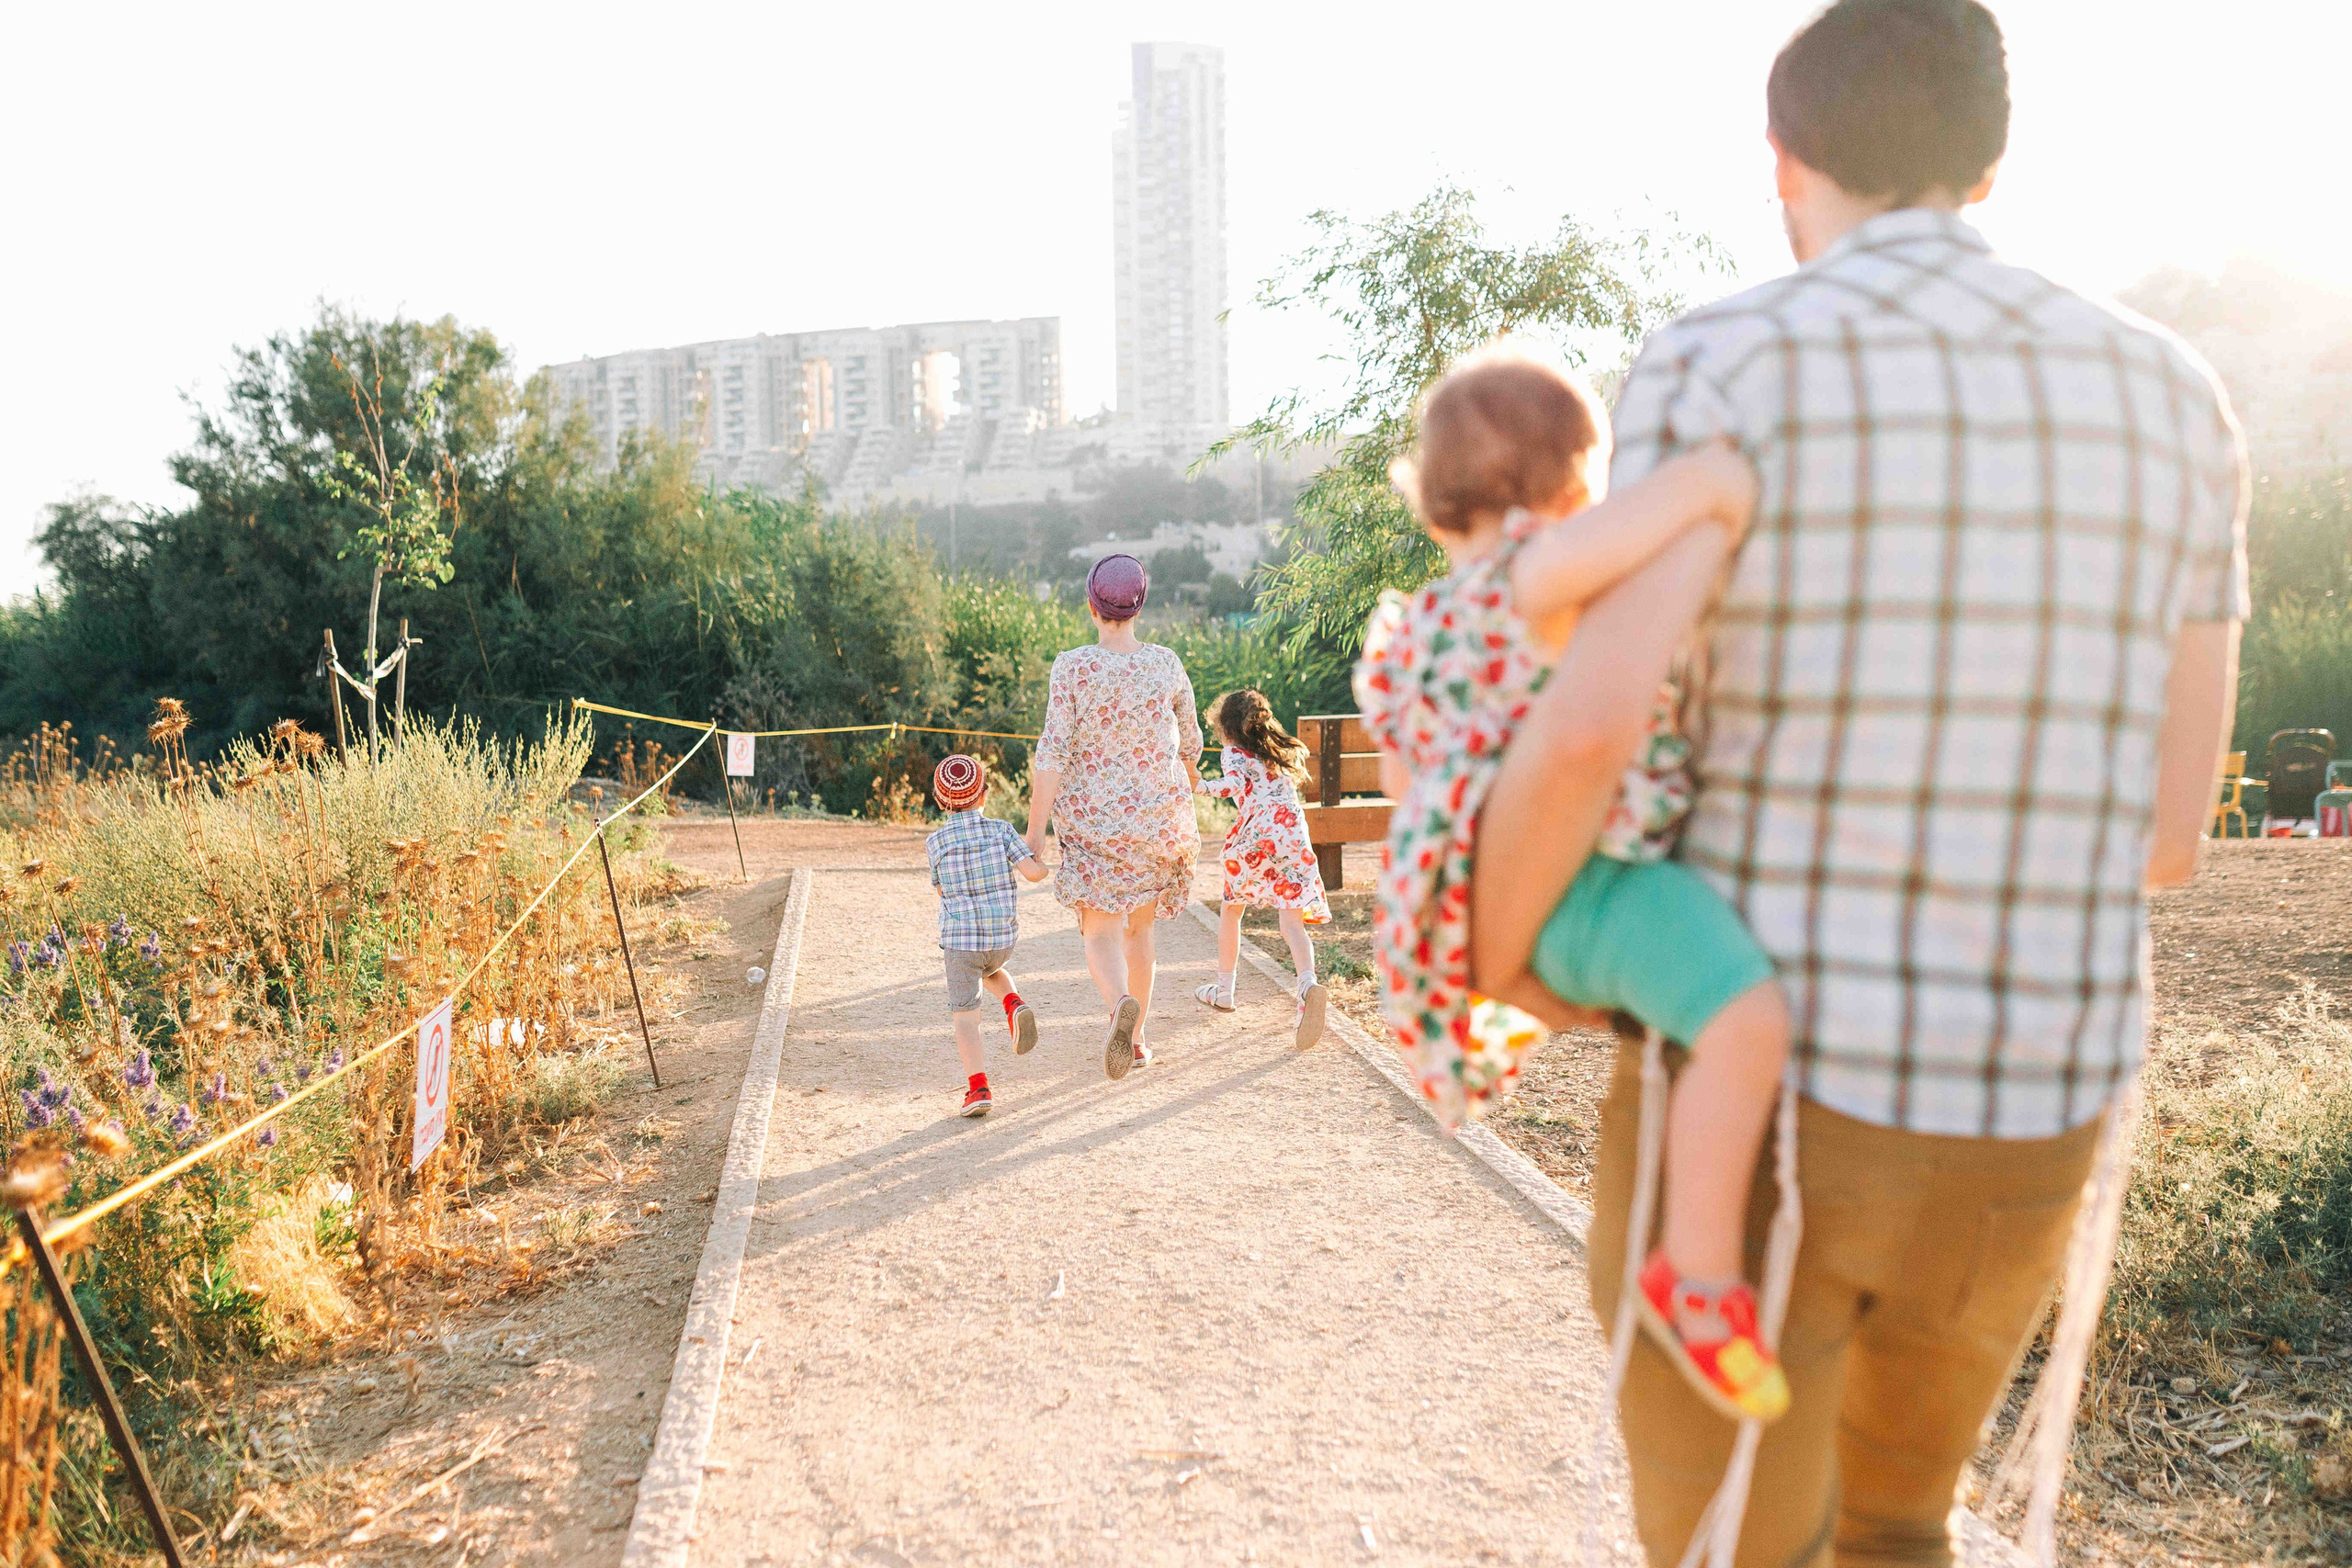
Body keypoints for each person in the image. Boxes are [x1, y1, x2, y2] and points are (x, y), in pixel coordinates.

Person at [1468, 4, 2248, 1562]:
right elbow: (2172, 836)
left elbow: (1588, 729)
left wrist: (1483, 968)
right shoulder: (2177, 397)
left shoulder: (1724, 358)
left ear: (1785, 162)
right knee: (1897, 1524)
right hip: (2031, 1112)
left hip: (1763, 1108)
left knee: (1727, 1534)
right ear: (1991, 156)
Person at [1353, 350, 1785, 1420]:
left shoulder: (1410, 636)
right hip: (1584, 875)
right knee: (1744, 1017)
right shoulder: (1533, 571)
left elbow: (1413, 802)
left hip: (1468, 897)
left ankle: (1516, 1016)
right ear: (1567, 491)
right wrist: (1724, 480)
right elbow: (1687, 500)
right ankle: (1697, 1270)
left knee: (1656, 1007)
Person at [1025, 555, 1205, 1079]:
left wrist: (1034, 834)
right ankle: (1141, 1038)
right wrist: (1189, 785)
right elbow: (1190, 743)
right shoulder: (1166, 663)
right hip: (1156, 819)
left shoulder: (1073, 666)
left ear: (1091, 606)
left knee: (1098, 931)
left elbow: (1052, 753)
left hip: (1092, 824)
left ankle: (1118, 1004)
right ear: (1139, 606)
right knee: (1140, 932)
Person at [1193, 688, 1332, 1048]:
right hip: (1293, 836)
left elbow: (1233, 785)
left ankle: (1224, 990)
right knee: (1292, 924)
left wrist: (1199, 785)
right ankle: (1307, 986)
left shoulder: (1234, 753)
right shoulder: (1276, 753)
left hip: (1257, 841)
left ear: (1227, 728)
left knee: (1231, 912)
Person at [925, 754, 1048, 1118]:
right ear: (984, 795)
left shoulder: (935, 842)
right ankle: (1013, 1003)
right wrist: (1039, 861)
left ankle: (978, 1088)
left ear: (939, 800)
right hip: (1002, 939)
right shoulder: (1002, 830)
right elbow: (1033, 874)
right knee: (991, 968)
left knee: (966, 1016)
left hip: (962, 943)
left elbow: (941, 890)